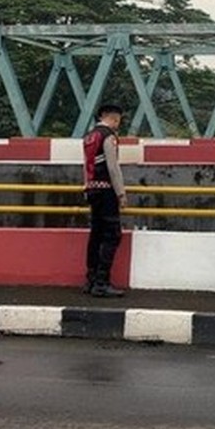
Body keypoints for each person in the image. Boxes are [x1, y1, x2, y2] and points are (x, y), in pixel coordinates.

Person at [82, 104, 127, 298]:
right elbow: (113, 167)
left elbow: (86, 165)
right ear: (114, 118)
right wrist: (121, 193)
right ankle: (102, 282)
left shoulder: (90, 136)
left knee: (96, 234)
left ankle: (91, 279)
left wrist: (87, 186)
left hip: (93, 189)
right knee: (112, 234)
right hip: (107, 190)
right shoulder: (108, 136)